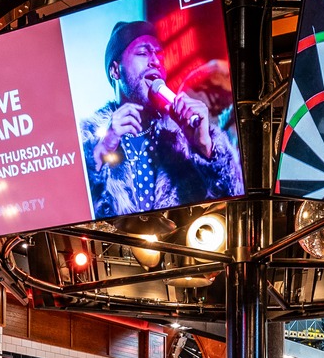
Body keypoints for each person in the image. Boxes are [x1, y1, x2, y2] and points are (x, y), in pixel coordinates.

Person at [80, 19, 242, 219]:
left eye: (159, 55)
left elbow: (231, 205)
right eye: (142, 53)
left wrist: (206, 147)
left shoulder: (181, 135)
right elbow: (68, 206)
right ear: (115, 70)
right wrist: (101, 151)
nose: (155, 61)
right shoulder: (88, 139)